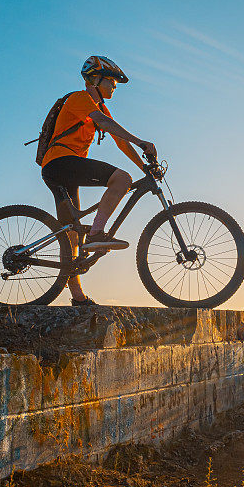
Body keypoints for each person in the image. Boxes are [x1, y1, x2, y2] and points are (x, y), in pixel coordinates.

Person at [40, 55, 156, 306]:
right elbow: (106, 124)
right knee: (122, 179)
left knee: (71, 236)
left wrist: (144, 165)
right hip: (61, 163)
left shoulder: (100, 107)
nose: (114, 86)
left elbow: (120, 141)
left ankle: (78, 297)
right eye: (111, 81)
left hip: (59, 168)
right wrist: (142, 142)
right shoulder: (80, 99)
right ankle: (96, 233)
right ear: (96, 79)